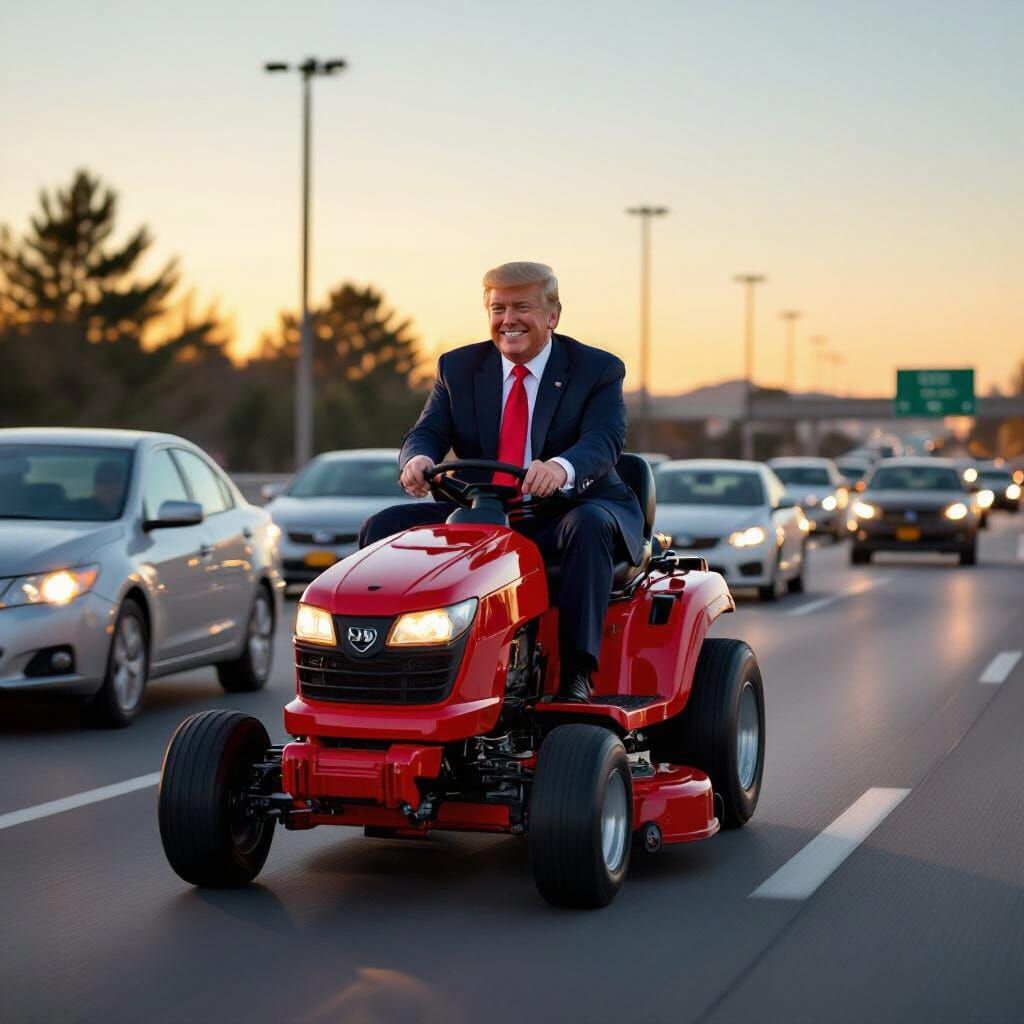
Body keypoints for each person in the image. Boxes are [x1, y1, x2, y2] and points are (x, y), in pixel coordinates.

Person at [359, 261, 643, 704]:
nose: (508, 320)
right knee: (382, 529)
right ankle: (382, 668)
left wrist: (561, 467)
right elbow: (428, 430)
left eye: (521, 308)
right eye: (498, 308)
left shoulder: (597, 370)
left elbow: (604, 440)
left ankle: (576, 674)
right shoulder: (458, 368)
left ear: (553, 315)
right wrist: (416, 458)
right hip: (483, 516)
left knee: (587, 525)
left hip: (563, 513)